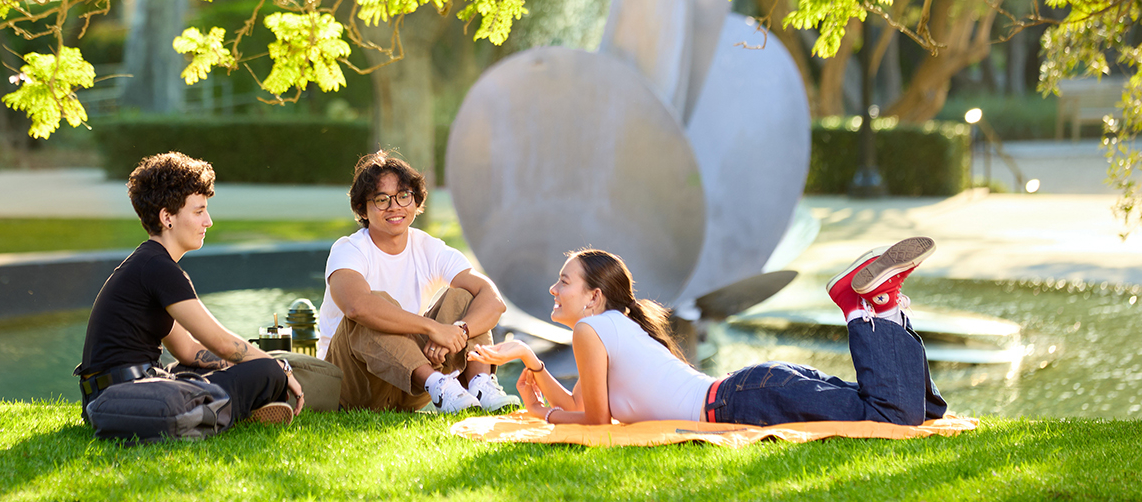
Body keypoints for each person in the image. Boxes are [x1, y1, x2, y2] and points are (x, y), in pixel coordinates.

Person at [469, 238, 948, 427]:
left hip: (747, 398)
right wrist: (531, 364)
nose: (554, 289)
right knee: (922, 409)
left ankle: (866, 304)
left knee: (891, 417)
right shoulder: (610, 328)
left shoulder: (592, 331)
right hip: (756, 388)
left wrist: (546, 415)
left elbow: (593, 422)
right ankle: (885, 308)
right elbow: (588, 406)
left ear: (594, 297)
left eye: (564, 281)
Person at [75, 152, 303, 427]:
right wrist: (280, 368)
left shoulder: (147, 262)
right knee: (267, 371)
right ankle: (229, 411)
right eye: (198, 212)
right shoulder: (159, 268)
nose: (208, 221)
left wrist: (236, 365)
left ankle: (226, 409)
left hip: (109, 396)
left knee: (204, 370)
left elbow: (188, 350)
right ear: (167, 217)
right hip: (124, 397)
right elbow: (220, 342)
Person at [318, 150, 518, 412]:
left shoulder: (428, 247)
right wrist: (431, 329)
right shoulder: (349, 249)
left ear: (416, 201)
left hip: (407, 384)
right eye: (381, 199)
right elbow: (355, 306)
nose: (395, 207)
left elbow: (492, 299)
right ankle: (439, 385)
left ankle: (481, 386)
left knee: (464, 296)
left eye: (403, 196)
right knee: (374, 305)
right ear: (362, 208)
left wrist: (460, 330)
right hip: (354, 383)